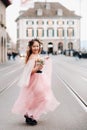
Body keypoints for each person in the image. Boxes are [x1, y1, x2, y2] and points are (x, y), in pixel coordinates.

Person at [12, 39, 60, 126]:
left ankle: (29, 114)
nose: (36, 48)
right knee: (41, 98)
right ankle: (31, 115)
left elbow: (38, 62)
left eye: (37, 46)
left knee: (37, 98)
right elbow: (29, 71)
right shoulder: (32, 57)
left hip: (39, 78)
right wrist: (37, 68)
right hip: (34, 80)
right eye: (34, 46)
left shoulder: (36, 55)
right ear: (30, 47)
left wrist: (44, 59)